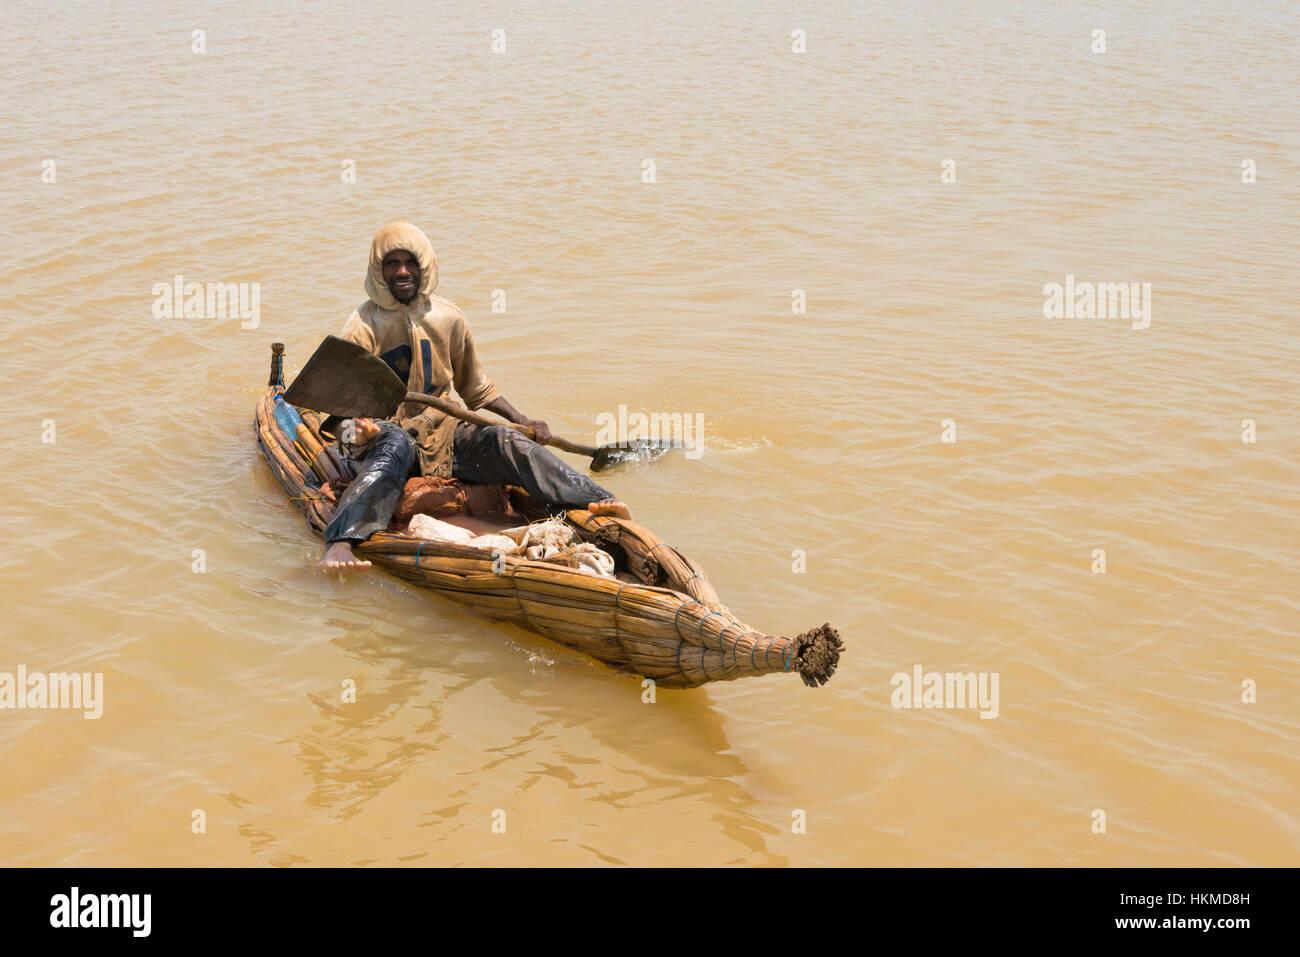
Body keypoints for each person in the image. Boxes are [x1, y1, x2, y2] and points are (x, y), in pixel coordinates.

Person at [319, 222, 630, 573]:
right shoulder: (361, 326)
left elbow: (476, 388)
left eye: (411, 262)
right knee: (394, 447)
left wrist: (521, 420)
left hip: (444, 429)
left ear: (425, 266)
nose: (402, 272)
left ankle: (598, 499)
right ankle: (341, 540)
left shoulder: (449, 317)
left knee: (505, 440)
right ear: (378, 270)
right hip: (388, 433)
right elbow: (337, 413)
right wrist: (357, 434)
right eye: (392, 264)